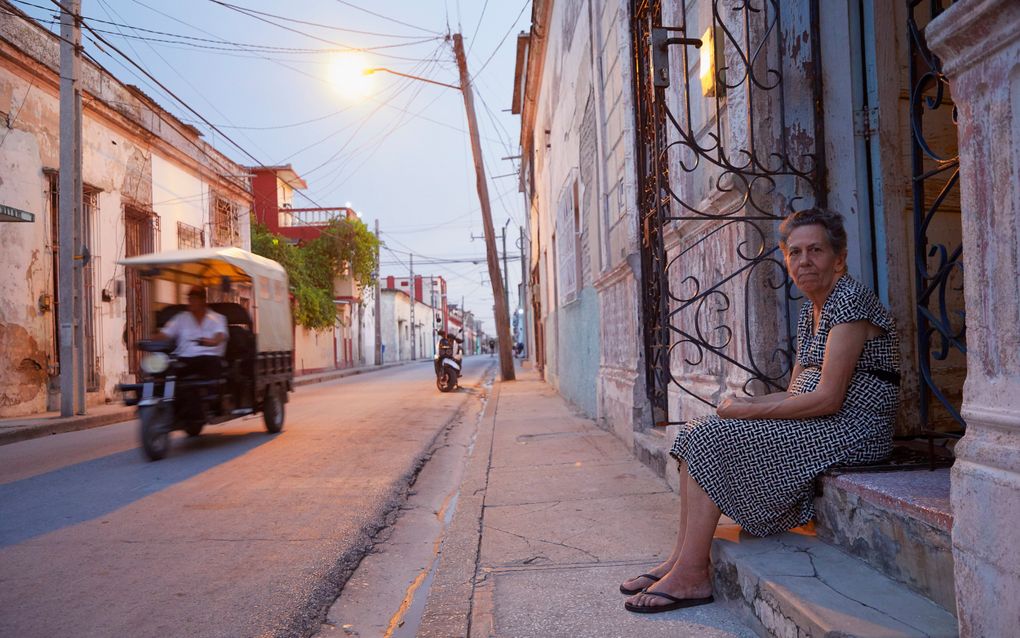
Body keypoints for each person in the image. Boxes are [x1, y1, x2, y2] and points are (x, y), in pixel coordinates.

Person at [622, 208, 900, 613]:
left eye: (816, 251)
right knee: (698, 430)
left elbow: (827, 398)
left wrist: (746, 414)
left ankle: (693, 573)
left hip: (853, 429)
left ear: (838, 258)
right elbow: (794, 391)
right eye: (795, 252)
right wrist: (743, 403)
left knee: (710, 437)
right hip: (819, 423)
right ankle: (680, 558)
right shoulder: (813, 308)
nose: (804, 261)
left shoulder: (849, 303)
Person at [154, 286, 228, 419]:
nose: (191, 301)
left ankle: (214, 402)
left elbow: (220, 335)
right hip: (185, 358)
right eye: (189, 299)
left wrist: (212, 342)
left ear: (203, 300)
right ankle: (164, 402)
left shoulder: (218, 318)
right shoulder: (181, 318)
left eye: (194, 299)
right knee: (164, 369)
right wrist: (148, 341)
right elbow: (165, 334)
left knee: (213, 364)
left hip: (208, 357)